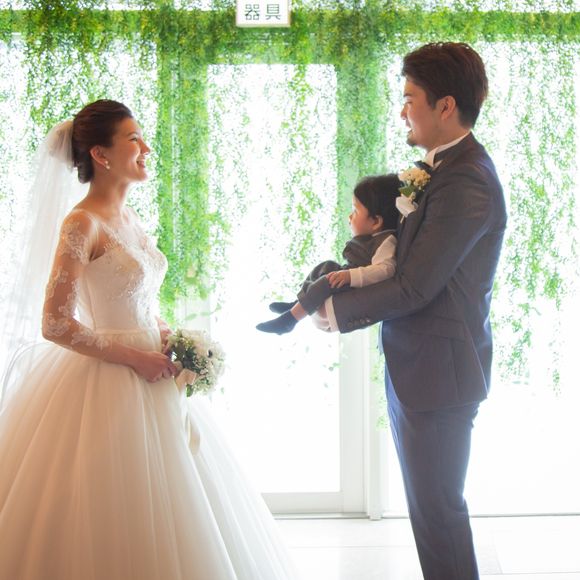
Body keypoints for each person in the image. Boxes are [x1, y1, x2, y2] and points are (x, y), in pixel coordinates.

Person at [0, 100, 298, 580]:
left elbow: (132, 296)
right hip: (107, 382)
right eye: (134, 139)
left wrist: (164, 332)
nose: (146, 148)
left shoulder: (130, 216)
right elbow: (55, 323)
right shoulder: (82, 223)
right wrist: (134, 357)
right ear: (100, 154)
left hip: (154, 371)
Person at [322, 43, 507, 580]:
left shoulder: (467, 179)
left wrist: (335, 311)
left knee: (439, 515)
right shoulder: (443, 170)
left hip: (441, 376)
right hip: (422, 369)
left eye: (409, 99)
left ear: (445, 106)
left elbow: (416, 284)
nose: (402, 111)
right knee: (430, 515)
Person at [256, 174, 401, 335]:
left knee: (327, 281)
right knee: (326, 266)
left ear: (375, 222)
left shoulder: (386, 241)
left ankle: (289, 320)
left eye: (355, 211)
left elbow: (385, 269)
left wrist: (350, 276)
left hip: (355, 287)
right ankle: (299, 303)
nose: (350, 216)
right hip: (348, 275)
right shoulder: (374, 237)